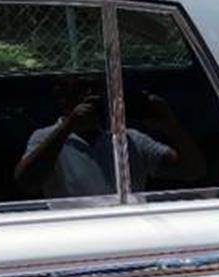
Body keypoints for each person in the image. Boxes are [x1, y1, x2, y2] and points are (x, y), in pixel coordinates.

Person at [14, 76, 205, 199]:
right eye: (81, 87)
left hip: (129, 229)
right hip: (73, 234)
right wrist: (68, 127)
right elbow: (26, 183)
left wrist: (171, 125)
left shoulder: (129, 140)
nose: (90, 94)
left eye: (95, 88)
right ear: (61, 95)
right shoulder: (45, 138)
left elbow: (192, 171)